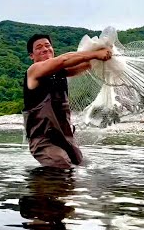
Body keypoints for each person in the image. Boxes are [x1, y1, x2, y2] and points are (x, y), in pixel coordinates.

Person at [23, 33, 112, 169]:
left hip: (65, 137)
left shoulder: (60, 72)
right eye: (39, 48)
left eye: (48, 46)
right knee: (62, 167)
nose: (45, 49)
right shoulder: (33, 71)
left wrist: (104, 55)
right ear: (31, 56)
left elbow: (86, 64)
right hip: (43, 140)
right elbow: (63, 60)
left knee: (80, 166)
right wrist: (94, 54)